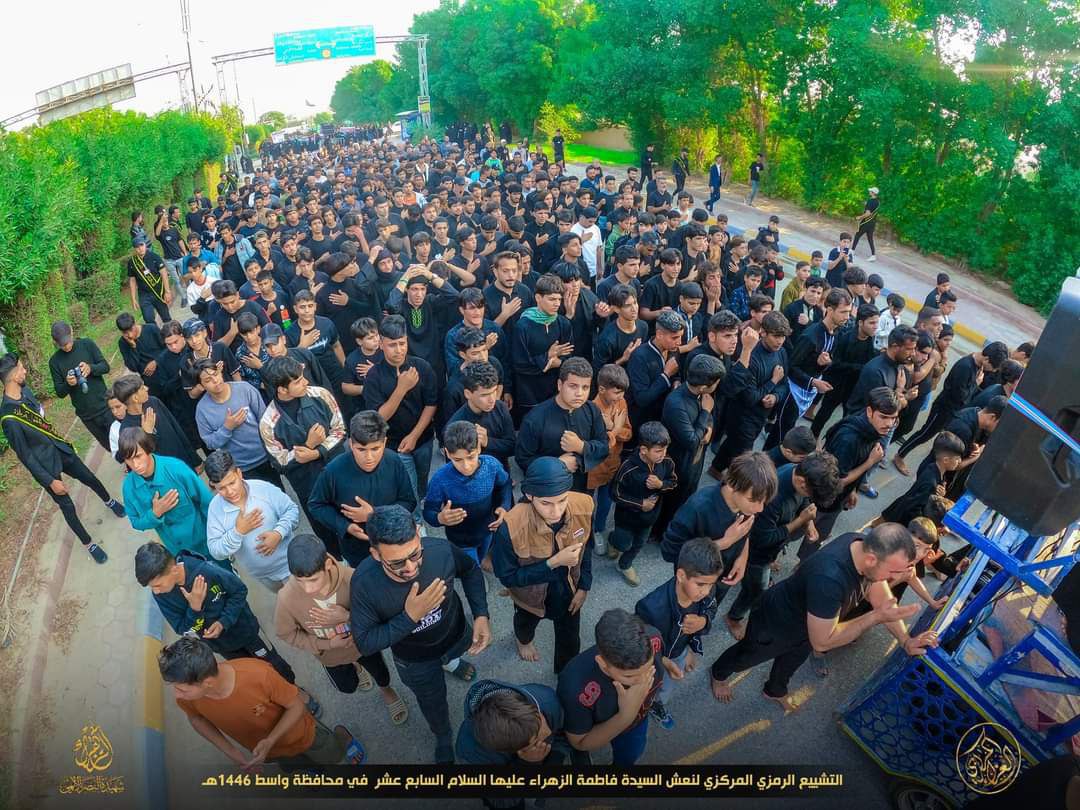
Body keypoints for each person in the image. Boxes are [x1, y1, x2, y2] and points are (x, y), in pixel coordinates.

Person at [709, 524, 939, 711]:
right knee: (745, 657)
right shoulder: (829, 579)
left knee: (790, 664)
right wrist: (875, 617)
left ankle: (774, 691)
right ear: (871, 559)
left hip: (810, 627)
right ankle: (718, 674)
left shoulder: (864, 547)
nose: (897, 577)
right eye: (893, 571)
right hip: (776, 624)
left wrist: (905, 640)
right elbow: (823, 642)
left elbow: (882, 598)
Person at [350, 505, 491, 764]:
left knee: (453, 656)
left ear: (418, 533)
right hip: (415, 661)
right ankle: (443, 734)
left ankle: (451, 663)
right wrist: (410, 617)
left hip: (454, 635)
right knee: (432, 701)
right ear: (376, 554)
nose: (410, 567)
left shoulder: (440, 550)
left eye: (415, 554)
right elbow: (365, 643)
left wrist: (481, 614)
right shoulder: (364, 584)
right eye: (396, 562)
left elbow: (470, 570)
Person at [157, 636, 361, 770]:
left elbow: (297, 706)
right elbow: (197, 719)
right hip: (267, 751)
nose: (177, 695)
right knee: (296, 766)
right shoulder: (187, 697)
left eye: (182, 688)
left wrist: (270, 740)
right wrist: (233, 752)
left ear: (208, 682)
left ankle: (342, 740)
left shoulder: (259, 674)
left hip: (302, 734)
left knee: (331, 754)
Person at [0, 354, 124, 564]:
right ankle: (89, 543)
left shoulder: (25, 391)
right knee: (67, 506)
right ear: (12, 376)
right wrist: (50, 481)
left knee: (89, 477)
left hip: (60, 449)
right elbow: (26, 456)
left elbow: (41, 419)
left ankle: (110, 501)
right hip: (45, 466)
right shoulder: (8, 418)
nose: (25, 371)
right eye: (21, 369)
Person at [275, 534, 408, 727]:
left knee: (380, 673)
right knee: (347, 687)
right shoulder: (286, 598)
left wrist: (347, 616)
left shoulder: (353, 578)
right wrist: (327, 644)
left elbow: (379, 613)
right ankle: (356, 666)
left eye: (313, 580)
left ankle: (387, 690)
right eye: (299, 580)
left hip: (363, 645)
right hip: (330, 656)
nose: (307, 589)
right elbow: (286, 633)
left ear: (328, 564)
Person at [137, 542, 299, 684]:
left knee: (272, 662)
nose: (156, 591)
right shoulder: (161, 596)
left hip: (247, 631)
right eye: (152, 587)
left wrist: (223, 622)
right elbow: (181, 628)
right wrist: (195, 608)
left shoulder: (207, 571)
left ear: (173, 570)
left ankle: (293, 689)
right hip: (221, 646)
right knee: (249, 672)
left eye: (157, 585)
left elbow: (239, 591)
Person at [493, 457, 593, 673]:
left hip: (569, 590)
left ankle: (565, 675)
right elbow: (507, 577)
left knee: (570, 639)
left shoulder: (584, 505)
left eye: (562, 500)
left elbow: (587, 547)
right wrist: (553, 563)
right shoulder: (510, 528)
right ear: (530, 496)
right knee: (525, 624)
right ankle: (523, 640)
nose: (556, 511)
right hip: (529, 598)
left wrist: (584, 586)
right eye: (546, 503)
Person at [725, 453, 841, 638]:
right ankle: (734, 617)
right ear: (802, 482)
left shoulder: (798, 474)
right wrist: (800, 520)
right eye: (811, 493)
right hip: (756, 554)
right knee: (756, 589)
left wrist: (809, 523)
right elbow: (763, 539)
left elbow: (804, 500)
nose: (809, 498)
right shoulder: (774, 498)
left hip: (770, 551)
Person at [634, 538, 723, 729]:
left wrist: (703, 622)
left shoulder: (707, 587)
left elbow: (711, 608)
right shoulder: (651, 607)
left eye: (711, 585)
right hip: (653, 659)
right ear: (681, 575)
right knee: (642, 690)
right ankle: (639, 709)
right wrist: (663, 661)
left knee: (665, 688)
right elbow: (638, 643)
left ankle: (657, 705)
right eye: (701, 585)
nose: (706, 591)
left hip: (678, 653)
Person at [308, 410, 416, 567]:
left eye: (375, 449)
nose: (369, 457)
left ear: (384, 443)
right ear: (351, 444)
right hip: (356, 551)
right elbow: (316, 505)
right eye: (361, 450)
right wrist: (345, 526)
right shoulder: (333, 471)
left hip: (395, 546)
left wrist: (374, 514)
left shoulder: (394, 461)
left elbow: (409, 501)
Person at [557, 609, 664, 766]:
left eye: (649, 668)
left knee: (630, 755)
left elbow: (661, 656)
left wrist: (666, 663)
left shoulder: (654, 637)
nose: (642, 681)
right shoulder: (574, 688)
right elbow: (580, 742)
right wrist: (626, 716)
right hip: (612, 723)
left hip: (638, 722)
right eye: (629, 676)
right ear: (602, 664)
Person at [259, 355, 346, 547]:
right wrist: (308, 444)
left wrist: (317, 451)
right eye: (298, 381)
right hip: (310, 488)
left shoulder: (321, 395)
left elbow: (340, 429)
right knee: (326, 535)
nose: (306, 381)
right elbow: (280, 462)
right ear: (282, 389)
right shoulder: (268, 423)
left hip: (341, 475)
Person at [362, 315, 439, 514]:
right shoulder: (374, 376)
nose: (399, 350)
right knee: (407, 486)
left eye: (402, 343)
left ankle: (422, 502)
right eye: (392, 345)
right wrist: (402, 388)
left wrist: (414, 435)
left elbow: (431, 404)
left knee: (422, 479)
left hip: (423, 438)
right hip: (394, 444)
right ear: (381, 344)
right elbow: (379, 417)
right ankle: (416, 520)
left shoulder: (421, 367)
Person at [893, 341, 1008, 474]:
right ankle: (900, 455)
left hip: (952, 411)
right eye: (993, 367)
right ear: (986, 358)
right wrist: (976, 384)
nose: (992, 371)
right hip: (943, 409)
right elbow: (961, 397)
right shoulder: (966, 367)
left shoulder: (977, 366)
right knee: (925, 434)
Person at [808, 387, 898, 551]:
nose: (889, 424)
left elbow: (851, 468)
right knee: (798, 531)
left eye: (893, 418)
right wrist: (870, 462)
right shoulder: (849, 439)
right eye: (884, 417)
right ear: (869, 411)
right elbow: (836, 481)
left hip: (837, 499)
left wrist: (852, 490)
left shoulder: (872, 429)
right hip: (820, 499)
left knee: (816, 541)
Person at [205, 450, 298, 591]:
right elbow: (215, 550)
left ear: (239, 473)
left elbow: (292, 510)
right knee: (283, 599)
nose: (230, 492)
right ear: (213, 485)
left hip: (291, 564)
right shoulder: (215, 509)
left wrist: (278, 533)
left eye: (232, 483)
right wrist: (238, 532)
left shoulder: (262, 488)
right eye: (221, 488)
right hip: (263, 576)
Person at [119, 427, 217, 561]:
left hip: (205, 542)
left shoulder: (177, 469)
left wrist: (217, 535)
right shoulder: (129, 488)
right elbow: (135, 522)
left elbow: (207, 502)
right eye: (129, 459)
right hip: (178, 551)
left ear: (148, 449)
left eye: (138, 456)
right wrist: (154, 514)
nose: (135, 464)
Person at [424, 421, 513, 567]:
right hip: (460, 540)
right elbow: (428, 512)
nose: (466, 466)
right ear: (447, 453)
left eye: (471, 457)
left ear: (479, 448)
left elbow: (505, 484)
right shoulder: (440, 480)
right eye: (458, 460)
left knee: (481, 556)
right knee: (471, 568)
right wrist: (439, 518)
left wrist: (504, 506)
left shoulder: (492, 465)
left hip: (487, 531)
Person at [712, 311, 791, 473]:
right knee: (744, 461)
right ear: (763, 332)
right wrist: (772, 382)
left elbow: (784, 384)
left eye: (783, 336)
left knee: (732, 444)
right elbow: (750, 397)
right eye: (776, 336)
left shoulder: (781, 352)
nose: (780, 341)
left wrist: (775, 397)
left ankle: (715, 468)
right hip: (742, 417)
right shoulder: (751, 357)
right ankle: (731, 485)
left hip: (760, 417)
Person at [515, 358, 609, 493]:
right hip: (547, 492)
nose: (579, 393)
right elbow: (523, 459)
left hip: (581, 489)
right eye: (573, 386)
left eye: (585, 387)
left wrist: (582, 447)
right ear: (560, 385)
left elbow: (604, 447)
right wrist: (557, 464)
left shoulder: (592, 410)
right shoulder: (535, 419)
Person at [656, 354, 724, 538]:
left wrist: (708, 427)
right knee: (673, 502)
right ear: (703, 386)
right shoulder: (676, 403)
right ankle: (662, 534)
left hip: (694, 461)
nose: (717, 385)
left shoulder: (702, 395)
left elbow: (708, 423)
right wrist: (705, 413)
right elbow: (692, 441)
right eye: (716, 382)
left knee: (686, 497)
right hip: (679, 465)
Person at [607, 422, 678, 585]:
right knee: (623, 544)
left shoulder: (667, 462)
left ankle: (624, 565)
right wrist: (640, 504)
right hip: (626, 519)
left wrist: (661, 484)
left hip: (649, 519)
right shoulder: (627, 468)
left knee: (638, 544)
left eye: (665, 449)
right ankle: (613, 540)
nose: (663, 454)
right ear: (644, 450)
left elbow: (673, 482)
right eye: (658, 451)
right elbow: (615, 493)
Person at [456, 678, 580, 770]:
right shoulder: (472, 754)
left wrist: (556, 756)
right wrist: (528, 763)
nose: (547, 732)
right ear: (514, 750)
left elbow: (562, 734)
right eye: (536, 741)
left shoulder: (547, 700)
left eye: (541, 722)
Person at [193, 360, 281, 487]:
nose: (215, 381)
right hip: (240, 467)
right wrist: (227, 428)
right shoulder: (202, 410)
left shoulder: (244, 389)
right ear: (201, 386)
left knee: (277, 492)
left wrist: (274, 450)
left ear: (220, 372)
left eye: (216, 374)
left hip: (266, 457)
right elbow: (210, 443)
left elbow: (265, 421)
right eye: (208, 380)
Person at [511, 274, 574, 421]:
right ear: (538, 298)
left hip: (555, 391)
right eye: (552, 299)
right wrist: (548, 357)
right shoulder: (523, 326)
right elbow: (520, 364)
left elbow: (569, 356)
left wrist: (557, 362)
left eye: (559, 299)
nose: (557, 304)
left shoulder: (563, 324)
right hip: (529, 393)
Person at [47, 322, 113, 451]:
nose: (67, 346)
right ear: (55, 342)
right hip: (87, 415)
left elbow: (105, 367)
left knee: (123, 441)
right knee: (109, 447)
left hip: (106, 405)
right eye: (62, 345)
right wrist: (68, 384)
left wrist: (91, 368)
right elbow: (60, 392)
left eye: (68, 342)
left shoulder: (87, 344)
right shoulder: (54, 362)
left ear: (71, 332)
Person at [586, 364, 633, 545]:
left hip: (612, 465)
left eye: (623, 393)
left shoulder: (621, 403)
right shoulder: (590, 410)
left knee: (606, 502)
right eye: (617, 393)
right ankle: (586, 534)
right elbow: (595, 446)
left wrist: (614, 428)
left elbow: (628, 434)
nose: (621, 397)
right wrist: (615, 431)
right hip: (593, 469)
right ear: (601, 389)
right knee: (587, 504)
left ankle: (598, 530)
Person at [448, 361, 516, 471]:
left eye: (494, 391)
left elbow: (513, 447)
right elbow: (455, 468)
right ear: (467, 394)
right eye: (484, 395)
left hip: (501, 474)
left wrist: (487, 442)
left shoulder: (501, 408)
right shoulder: (455, 426)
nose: (492, 399)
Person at [626, 311, 684, 438]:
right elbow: (642, 399)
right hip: (642, 423)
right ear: (659, 334)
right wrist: (666, 375)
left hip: (664, 418)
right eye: (674, 338)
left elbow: (676, 373)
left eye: (681, 337)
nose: (679, 342)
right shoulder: (639, 357)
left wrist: (676, 382)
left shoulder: (673, 350)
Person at [116, 312, 166, 397]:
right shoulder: (123, 343)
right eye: (125, 333)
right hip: (150, 381)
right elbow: (133, 367)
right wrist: (133, 347)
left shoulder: (151, 329)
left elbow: (168, 348)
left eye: (131, 330)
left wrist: (156, 361)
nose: (130, 335)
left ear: (135, 324)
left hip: (165, 371)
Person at [127, 236, 172, 324]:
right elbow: (132, 280)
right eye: (137, 247)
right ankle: (154, 332)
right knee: (148, 319)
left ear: (145, 245)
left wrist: (167, 291)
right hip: (144, 295)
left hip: (158, 291)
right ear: (134, 249)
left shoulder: (154, 257)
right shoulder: (132, 262)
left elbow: (164, 273)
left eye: (141, 245)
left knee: (166, 317)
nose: (140, 248)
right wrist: (133, 298)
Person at [852, 187, 880, 261]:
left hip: (866, 222)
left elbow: (868, 213)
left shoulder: (870, 201)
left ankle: (852, 251)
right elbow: (872, 209)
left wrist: (860, 217)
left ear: (873, 193)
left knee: (857, 235)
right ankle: (873, 255)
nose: (869, 192)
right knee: (870, 238)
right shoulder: (877, 202)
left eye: (870, 191)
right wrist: (866, 204)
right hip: (872, 223)